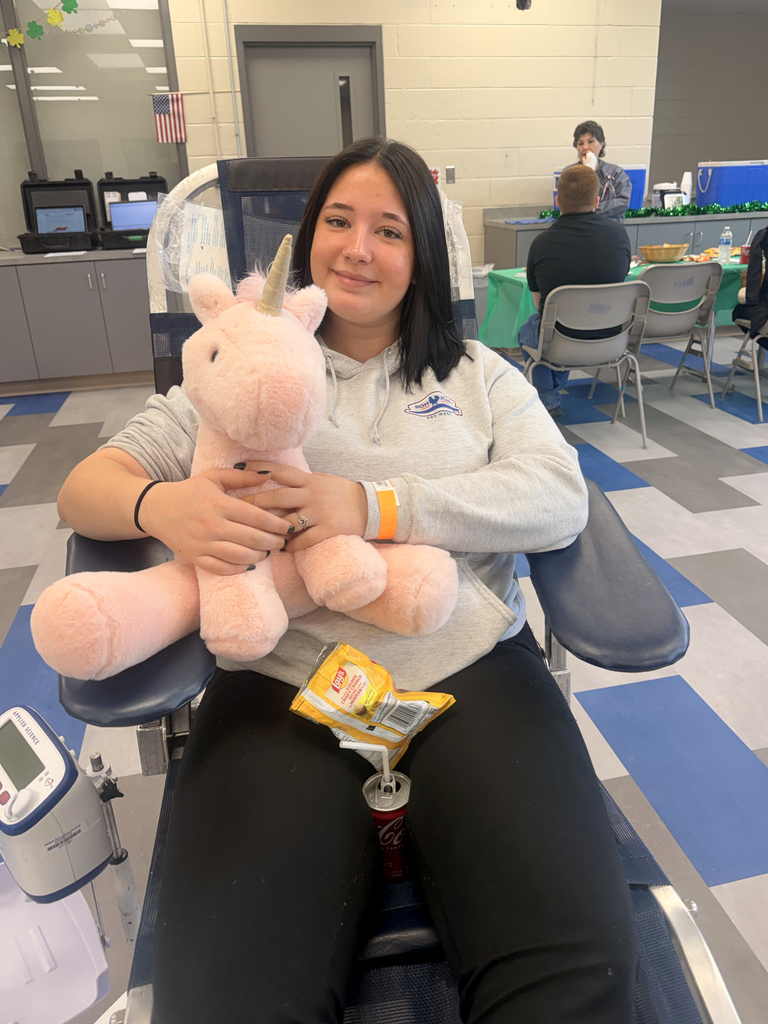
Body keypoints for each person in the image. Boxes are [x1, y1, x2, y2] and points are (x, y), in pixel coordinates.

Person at [56, 138, 637, 1024]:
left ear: (424, 255)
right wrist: (163, 508)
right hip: (282, 677)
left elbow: (557, 497)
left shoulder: (479, 377)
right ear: (308, 238)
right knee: (227, 1000)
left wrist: (374, 507)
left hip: (466, 664)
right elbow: (84, 488)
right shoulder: (241, 359)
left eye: (389, 229)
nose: (358, 247)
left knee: (574, 979)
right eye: (337, 220)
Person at [522, 164, 632, 417]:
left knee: (531, 328)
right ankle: (551, 395)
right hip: (613, 340)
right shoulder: (619, 235)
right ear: (597, 200)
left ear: (557, 200)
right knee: (549, 324)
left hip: (562, 341)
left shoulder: (542, 243)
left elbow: (541, 304)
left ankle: (548, 400)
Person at [568, 119, 632, 221]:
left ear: (601, 144)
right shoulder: (569, 173)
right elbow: (568, 204)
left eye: (591, 142)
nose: (585, 147)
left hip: (609, 230)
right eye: (580, 143)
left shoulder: (616, 173)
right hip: (579, 229)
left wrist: (592, 210)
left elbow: (623, 202)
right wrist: (586, 171)